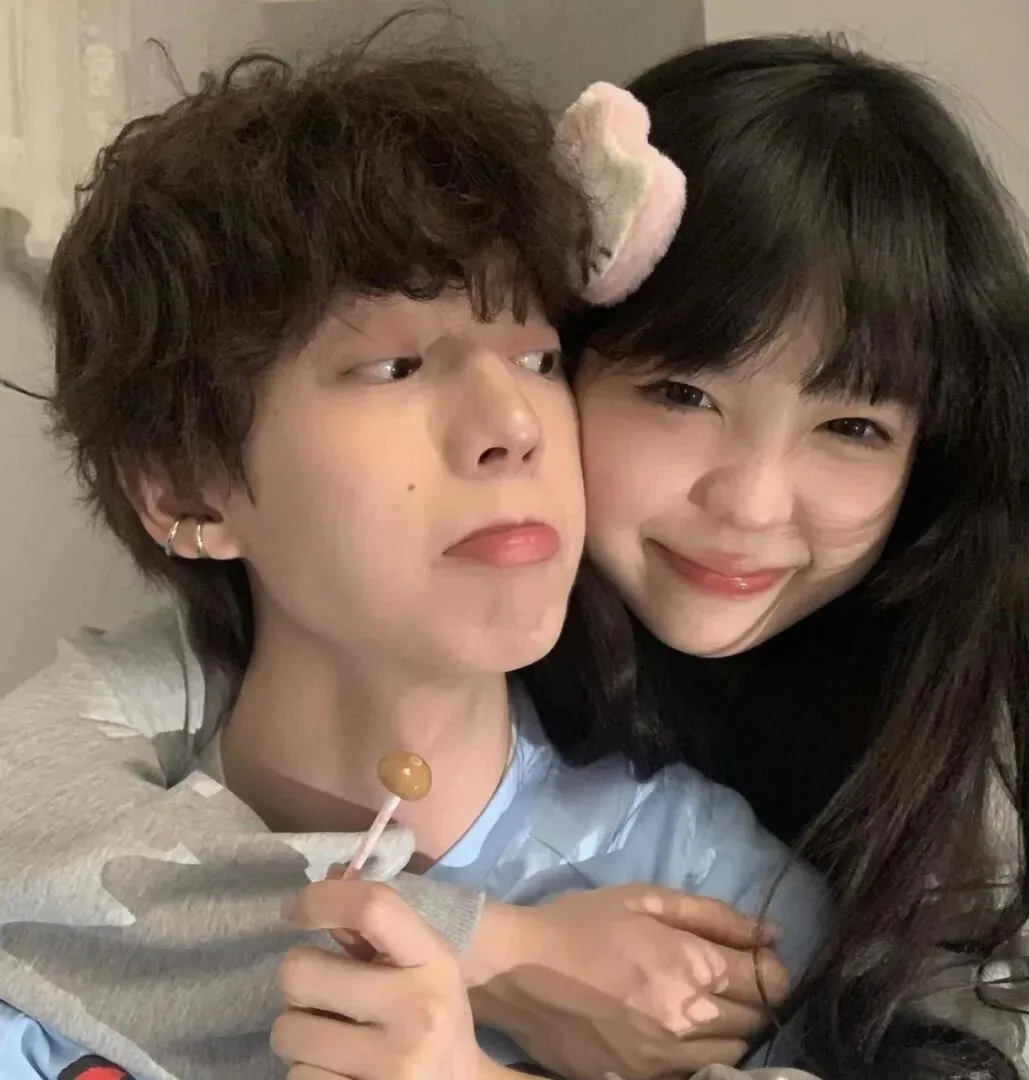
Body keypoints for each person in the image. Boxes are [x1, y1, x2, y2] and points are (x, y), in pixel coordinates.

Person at [0, 37, 828, 1080]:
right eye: (393, 365)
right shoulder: (54, 925)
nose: (512, 425)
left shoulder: (716, 911)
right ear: (183, 490)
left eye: (537, 358)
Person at [259, 34, 1029, 1080]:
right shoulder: (437, 588)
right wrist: (494, 949)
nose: (749, 503)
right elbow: (78, 837)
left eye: (853, 427)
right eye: (683, 394)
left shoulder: (972, 714)